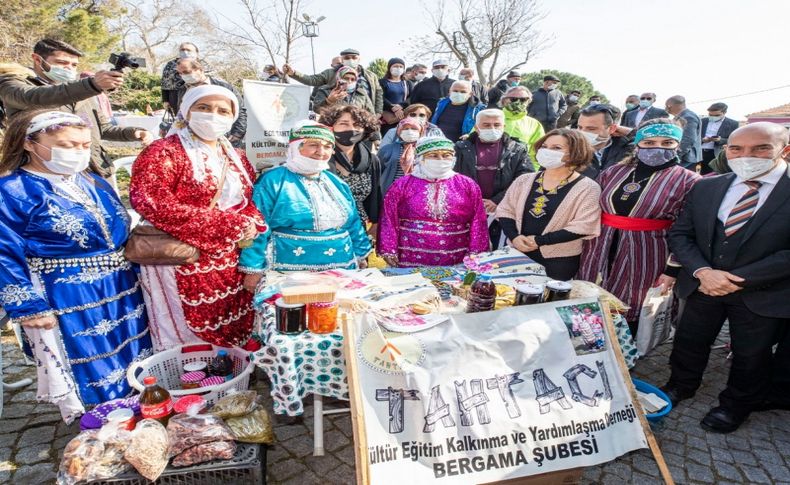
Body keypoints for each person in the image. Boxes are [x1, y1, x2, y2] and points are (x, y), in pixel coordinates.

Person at [0, 111, 153, 422]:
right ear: (30, 143)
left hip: (121, 285)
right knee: (89, 357)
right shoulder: (13, 191)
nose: (79, 152)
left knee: (131, 350)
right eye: (67, 145)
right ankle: (103, 423)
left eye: (84, 145)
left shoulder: (92, 180)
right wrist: (28, 306)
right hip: (67, 293)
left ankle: (141, 411)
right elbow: (4, 251)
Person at [663, 122, 790, 433]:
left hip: (763, 292)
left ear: (784, 150)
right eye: (736, 148)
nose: (746, 155)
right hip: (703, 284)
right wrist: (703, 271)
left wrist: (735, 279)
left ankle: (736, 404)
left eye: (760, 148)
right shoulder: (708, 186)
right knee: (689, 340)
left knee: (752, 353)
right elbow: (681, 234)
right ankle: (681, 384)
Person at [130, 85, 266, 350]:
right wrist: (227, 224)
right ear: (186, 111)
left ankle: (231, 375)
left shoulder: (236, 157)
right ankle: (192, 383)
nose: (213, 115)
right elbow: (150, 201)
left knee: (230, 321)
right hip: (182, 255)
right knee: (187, 331)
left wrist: (251, 223)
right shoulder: (163, 152)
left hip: (230, 258)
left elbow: (247, 199)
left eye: (222, 111)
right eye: (204, 108)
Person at [576, 119, 700, 333]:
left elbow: (688, 230)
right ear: (638, 144)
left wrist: (672, 270)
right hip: (599, 248)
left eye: (667, 143)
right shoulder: (614, 171)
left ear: (678, 145)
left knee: (632, 310)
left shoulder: (689, 181)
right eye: (650, 143)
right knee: (590, 303)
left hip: (647, 253)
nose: (657, 148)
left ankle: (626, 358)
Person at [239, 121, 372, 281]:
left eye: (327, 146)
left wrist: (361, 253)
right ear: (296, 147)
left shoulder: (337, 183)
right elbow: (258, 225)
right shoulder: (273, 180)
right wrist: (253, 268)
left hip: (341, 268)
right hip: (289, 270)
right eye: (313, 145)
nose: (321, 152)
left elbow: (353, 222)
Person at [0, 38, 153, 177]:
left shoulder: (80, 90)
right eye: (61, 63)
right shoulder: (12, 84)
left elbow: (101, 128)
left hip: (93, 170)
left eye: (74, 65)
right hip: (42, 173)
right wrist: (92, 85)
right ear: (37, 59)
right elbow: (35, 97)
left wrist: (133, 132)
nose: (68, 69)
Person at [496, 129, 601, 280]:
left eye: (556, 148)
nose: (546, 151)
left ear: (574, 153)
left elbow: (584, 226)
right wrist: (514, 237)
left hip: (558, 261)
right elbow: (506, 210)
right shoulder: (524, 180)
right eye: (544, 146)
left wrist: (539, 241)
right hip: (517, 253)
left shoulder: (588, 188)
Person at [378, 136, 489, 267]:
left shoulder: (467, 184)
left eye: (446, 155)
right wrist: (389, 249)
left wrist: (477, 251)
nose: (441, 160)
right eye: (434, 156)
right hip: (410, 254)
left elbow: (478, 219)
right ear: (421, 158)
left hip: (456, 254)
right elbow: (388, 217)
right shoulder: (403, 184)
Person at [454, 109, 533, 244]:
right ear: (477, 127)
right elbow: (452, 177)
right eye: (486, 125)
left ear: (503, 127)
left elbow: (525, 178)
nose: (492, 128)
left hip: (504, 211)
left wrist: (497, 200)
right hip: (466, 209)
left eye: (496, 125)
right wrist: (473, 200)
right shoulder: (461, 148)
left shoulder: (517, 149)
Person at [320, 104, 383, 226]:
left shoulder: (372, 160)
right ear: (330, 127)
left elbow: (374, 199)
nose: (351, 129)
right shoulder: (320, 157)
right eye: (344, 123)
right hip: (326, 225)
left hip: (359, 227)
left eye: (357, 125)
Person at [283, 48, 383, 114]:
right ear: (342, 60)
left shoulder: (371, 76)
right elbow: (312, 80)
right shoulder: (331, 73)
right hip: (337, 114)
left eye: (354, 57)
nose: (351, 60)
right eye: (347, 58)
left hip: (365, 116)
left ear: (359, 59)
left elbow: (378, 94)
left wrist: (377, 114)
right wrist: (294, 73)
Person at [176, 58, 247, 146]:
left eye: (186, 72)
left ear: (200, 70)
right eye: (180, 73)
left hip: (223, 138)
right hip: (190, 139)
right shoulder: (182, 90)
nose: (183, 75)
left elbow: (240, 110)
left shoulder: (224, 87)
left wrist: (237, 134)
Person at [576, 104, 634, 174]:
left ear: (612, 129)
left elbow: (648, 141)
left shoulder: (628, 149)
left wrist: (630, 132)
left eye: (591, 129)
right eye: (580, 127)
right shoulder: (570, 147)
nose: (583, 132)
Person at [379, 117, 425, 195]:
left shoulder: (425, 150)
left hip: (417, 192)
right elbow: (378, 170)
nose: (409, 131)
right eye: (405, 129)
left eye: (414, 128)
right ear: (399, 131)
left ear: (420, 131)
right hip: (391, 191)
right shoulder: (387, 149)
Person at [500, 86, 545, 164]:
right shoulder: (489, 118)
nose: (518, 102)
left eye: (523, 99)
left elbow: (538, 152)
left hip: (520, 168)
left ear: (528, 101)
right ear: (504, 100)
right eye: (513, 99)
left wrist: (532, 172)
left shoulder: (534, 124)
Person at [379, 103, 444, 149]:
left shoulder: (435, 132)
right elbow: (382, 152)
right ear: (405, 117)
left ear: (427, 117)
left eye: (422, 115)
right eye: (413, 115)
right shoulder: (393, 132)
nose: (417, 117)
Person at [700, 102, 739, 175]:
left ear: (724, 112)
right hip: (700, 152)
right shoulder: (702, 121)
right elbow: (695, 136)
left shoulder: (733, 123)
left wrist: (720, 140)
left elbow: (734, 140)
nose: (713, 117)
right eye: (710, 115)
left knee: (715, 175)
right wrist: (702, 139)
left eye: (717, 115)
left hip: (717, 153)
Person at [161, 42, 199, 114]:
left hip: (197, 93)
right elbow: (164, 82)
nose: (185, 52)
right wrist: (165, 100)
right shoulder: (171, 64)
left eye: (188, 50)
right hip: (175, 95)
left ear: (196, 52)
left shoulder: (202, 64)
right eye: (182, 50)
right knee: (179, 119)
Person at [665, 95, 702, 170]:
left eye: (666, 106)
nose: (666, 109)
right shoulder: (681, 116)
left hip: (685, 158)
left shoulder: (688, 117)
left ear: (670, 105)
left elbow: (688, 139)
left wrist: (674, 156)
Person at [379, 57, 414, 135]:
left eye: (401, 67)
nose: (398, 68)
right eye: (395, 66)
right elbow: (380, 97)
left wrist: (401, 106)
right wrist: (392, 107)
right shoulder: (382, 82)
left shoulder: (408, 83)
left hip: (403, 116)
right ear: (389, 68)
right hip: (387, 118)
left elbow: (412, 97)